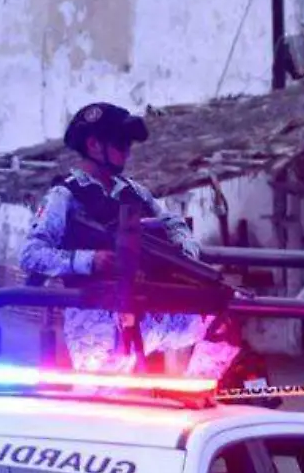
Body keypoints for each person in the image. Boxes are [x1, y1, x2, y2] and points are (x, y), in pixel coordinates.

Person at [19, 101, 238, 377]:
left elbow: (173, 223)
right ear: (94, 145)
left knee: (223, 322)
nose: (127, 151)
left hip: (149, 306)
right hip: (96, 316)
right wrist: (89, 261)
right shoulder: (65, 196)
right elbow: (31, 254)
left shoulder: (134, 191)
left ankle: (194, 395)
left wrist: (184, 251)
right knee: (107, 406)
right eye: (120, 143)